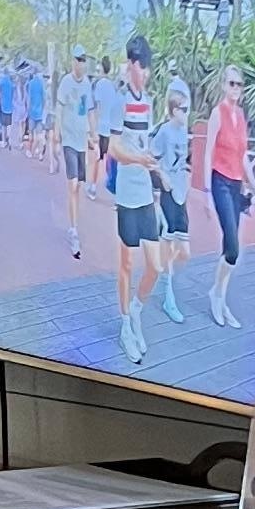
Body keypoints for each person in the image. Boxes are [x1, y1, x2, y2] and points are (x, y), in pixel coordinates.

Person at [107, 38, 160, 366]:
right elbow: (113, 148)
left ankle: (137, 311)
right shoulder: (119, 102)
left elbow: (144, 143)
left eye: (137, 64)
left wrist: (152, 167)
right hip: (127, 193)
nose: (132, 69)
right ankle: (125, 324)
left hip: (145, 195)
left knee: (155, 265)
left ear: (147, 70)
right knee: (127, 263)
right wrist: (139, 161)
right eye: (130, 63)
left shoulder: (150, 103)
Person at [202, 62, 254, 327]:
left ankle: (220, 296)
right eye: (231, 83)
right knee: (233, 247)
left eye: (239, 84)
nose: (235, 88)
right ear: (224, 85)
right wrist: (206, 193)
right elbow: (208, 151)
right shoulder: (217, 113)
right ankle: (216, 294)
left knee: (229, 247)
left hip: (236, 185)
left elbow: (243, 156)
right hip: (220, 181)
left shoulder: (241, 116)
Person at [148, 74, 195, 327]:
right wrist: (162, 175)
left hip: (181, 194)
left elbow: (184, 160)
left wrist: (185, 175)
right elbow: (150, 158)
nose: (187, 114)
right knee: (169, 243)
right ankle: (168, 295)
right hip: (168, 193)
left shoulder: (184, 131)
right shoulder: (164, 131)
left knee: (184, 252)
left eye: (189, 109)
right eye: (184, 109)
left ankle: (163, 271)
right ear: (174, 109)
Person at [58, 55, 96, 253]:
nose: (80, 64)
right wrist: (57, 132)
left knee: (78, 186)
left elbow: (89, 110)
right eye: (77, 60)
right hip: (69, 140)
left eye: (83, 60)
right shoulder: (65, 82)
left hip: (82, 140)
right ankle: (73, 230)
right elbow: (60, 107)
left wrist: (93, 134)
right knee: (72, 184)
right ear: (72, 62)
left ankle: (74, 222)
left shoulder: (87, 84)